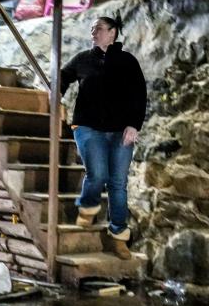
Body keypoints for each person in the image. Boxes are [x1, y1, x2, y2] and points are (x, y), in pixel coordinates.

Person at [60, 15, 147, 260]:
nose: (93, 32)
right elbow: (63, 77)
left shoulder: (128, 61)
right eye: (92, 28)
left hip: (121, 130)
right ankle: (87, 207)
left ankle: (119, 236)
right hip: (88, 127)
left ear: (112, 33)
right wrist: (55, 96)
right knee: (98, 173)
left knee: (118, 184)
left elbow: (139, 94)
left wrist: (134, 125)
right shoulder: (82, 59)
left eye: (98, 28)